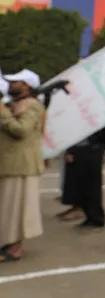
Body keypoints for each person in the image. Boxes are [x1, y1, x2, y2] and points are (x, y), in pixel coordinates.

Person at [0, 69, 45, 263]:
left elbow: (22, 131)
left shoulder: (32, 106)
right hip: (11, 163)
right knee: (8, 208)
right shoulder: (16, 104)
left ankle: (15, 247)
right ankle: (8, 242)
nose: (10, 86)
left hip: (21, 165)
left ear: (26, 85)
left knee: (17, 208)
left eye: (15, 82)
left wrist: (2, 114)